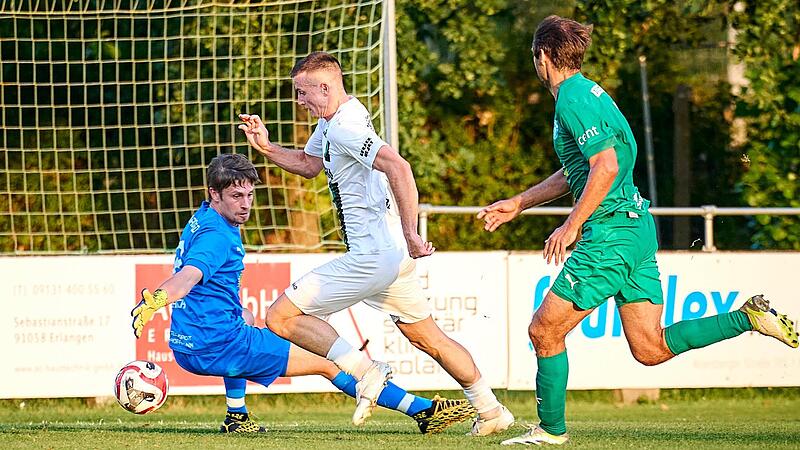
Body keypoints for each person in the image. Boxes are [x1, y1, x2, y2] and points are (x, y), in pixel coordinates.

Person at [477, 15, 799, 446]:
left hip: (610, 235)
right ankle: (748, 317)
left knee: (544, 330)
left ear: (543, 56)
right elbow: (579, 170)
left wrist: (572, 225)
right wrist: (520, 202)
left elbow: (606, 166)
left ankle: (550, 431)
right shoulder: (588, 92)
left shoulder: (572, 98)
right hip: (634, 228)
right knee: (650, 348)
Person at [238, 51, 514, 436]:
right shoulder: (335, 118)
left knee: (279, 318)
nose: (299, 101)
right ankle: (490, 409)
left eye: (303, 92)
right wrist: (267, 147)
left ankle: (366, 371)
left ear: (325, 87)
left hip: (372, 255)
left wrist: (412, 232)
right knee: (428, 338)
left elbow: (399, 166)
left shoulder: (344, 128)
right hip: (391, 256)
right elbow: (309, 165)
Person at [131, 153, 476, 435]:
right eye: (236, 196)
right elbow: (188, 276)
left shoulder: (203, 218)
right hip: (217, 347)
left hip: (188, 345)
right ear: (214, 194)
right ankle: (423, 412)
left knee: (245, 318)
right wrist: (156, 300)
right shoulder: (217, 237)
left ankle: (237, 415)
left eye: (250, 195)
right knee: (329, 360)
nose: (246, 205)